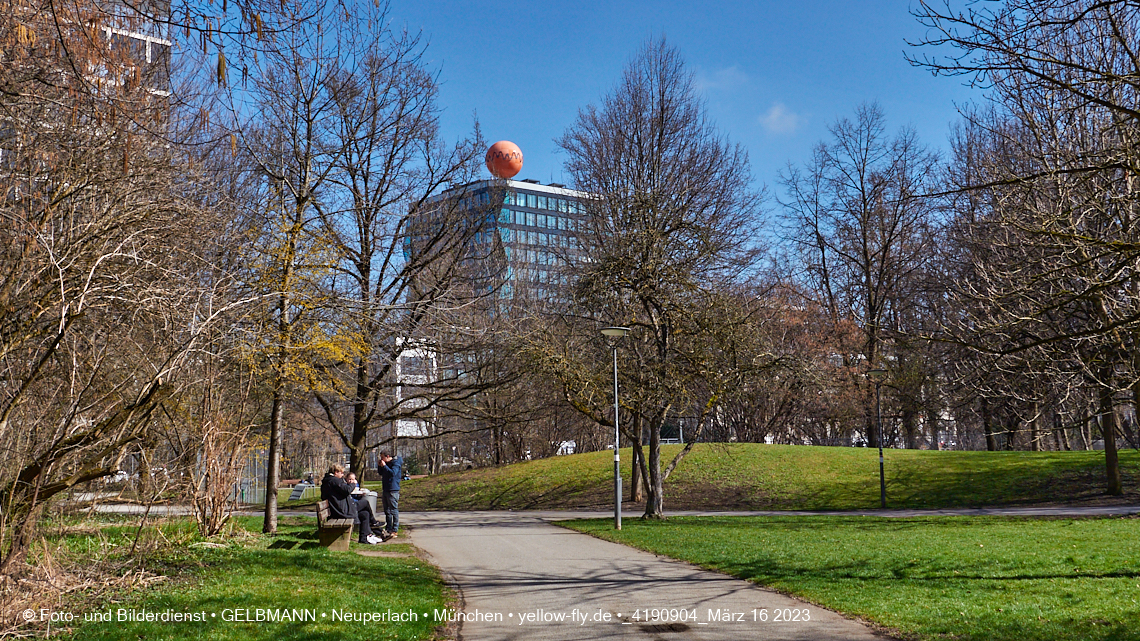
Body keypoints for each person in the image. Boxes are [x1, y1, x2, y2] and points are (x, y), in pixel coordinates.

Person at [321, 464, 383, 545]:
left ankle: (365, 537)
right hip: (342, 510)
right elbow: (347, 490)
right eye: (342, 473)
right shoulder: (334, 480)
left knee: (365, 514)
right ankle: (374, 523)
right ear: (336, 472)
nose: (342, 475)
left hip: (339, 508)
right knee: (365, 502)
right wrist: (353, 483)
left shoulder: (328, 481)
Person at [377, 451, 403, 541]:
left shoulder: (396, 463)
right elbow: (381, 473)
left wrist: (384, 466)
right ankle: (388, 528)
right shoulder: (386, 464)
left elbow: (392, 473)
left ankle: (395, 530)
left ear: (388, 456)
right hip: (385, 489)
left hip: (393, 489)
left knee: (393, 510)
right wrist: (380, 466)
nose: (382, 459)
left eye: (382, 457)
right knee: (387, 510)